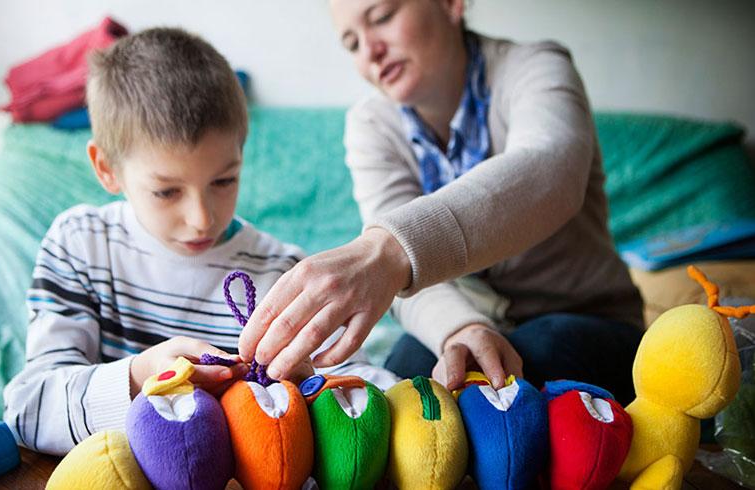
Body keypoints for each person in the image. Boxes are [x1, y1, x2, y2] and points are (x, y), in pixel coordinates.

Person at [2, 27, 396, 456]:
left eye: (223, 181)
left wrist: (312, 387)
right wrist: (140, 376)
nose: (202, 219)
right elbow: (28, 410)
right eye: (167, 191)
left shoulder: (282, 273)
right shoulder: (80, 246)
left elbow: (362, 392)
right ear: (107, 169)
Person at [238, 0, 644, 404]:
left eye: (382, 17)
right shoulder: (372, 125)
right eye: (352, 44)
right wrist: (460, 329)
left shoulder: (537, 67)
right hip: (471, 318)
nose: (370, 51)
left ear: (451, 4)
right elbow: (402, 288)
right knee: (411, 372)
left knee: (542, 349)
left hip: (587, 320)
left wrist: (389, 251)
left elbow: (552, 170)